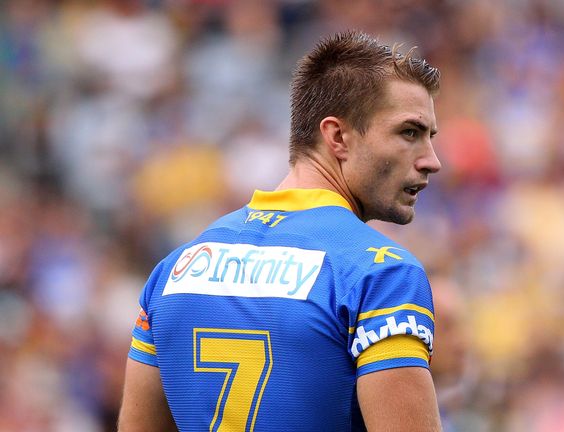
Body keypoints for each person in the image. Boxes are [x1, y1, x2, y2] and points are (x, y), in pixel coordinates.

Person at [118, 30, 443, 431]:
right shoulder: (381, 274)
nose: (431, 160)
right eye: (409, 132)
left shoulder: (174, 270)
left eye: (429, 137)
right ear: (337, 136)